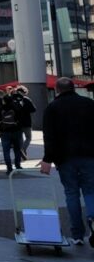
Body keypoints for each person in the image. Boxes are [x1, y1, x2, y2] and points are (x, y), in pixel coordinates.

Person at [40, 78, 94, 246]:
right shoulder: (89, 103)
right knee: (90, 191)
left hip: (65, 157)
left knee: (71, 193)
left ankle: (77, 235)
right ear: (73, 88)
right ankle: (92, 218)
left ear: (57, 90)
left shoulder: (52, 108)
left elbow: (49, 136)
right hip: (89, 155)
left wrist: (47, 159)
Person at [0, 90, 24, 175]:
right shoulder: (17, 107)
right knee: (17, 149)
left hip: (5, 132)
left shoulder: (0, 109)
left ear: (4, 101)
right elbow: (22, 119)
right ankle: (18, 165)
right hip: (16, 131)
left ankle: (9, 168)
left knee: (6, 151)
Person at [13, 87, 37, 160]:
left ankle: (21, 155)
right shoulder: (26, 99)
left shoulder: (13, 99)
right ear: (24, 92)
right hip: (26, 121)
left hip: (16, 122)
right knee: (28, 137)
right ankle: (22, 150)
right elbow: (34, 109)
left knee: (20, 139)